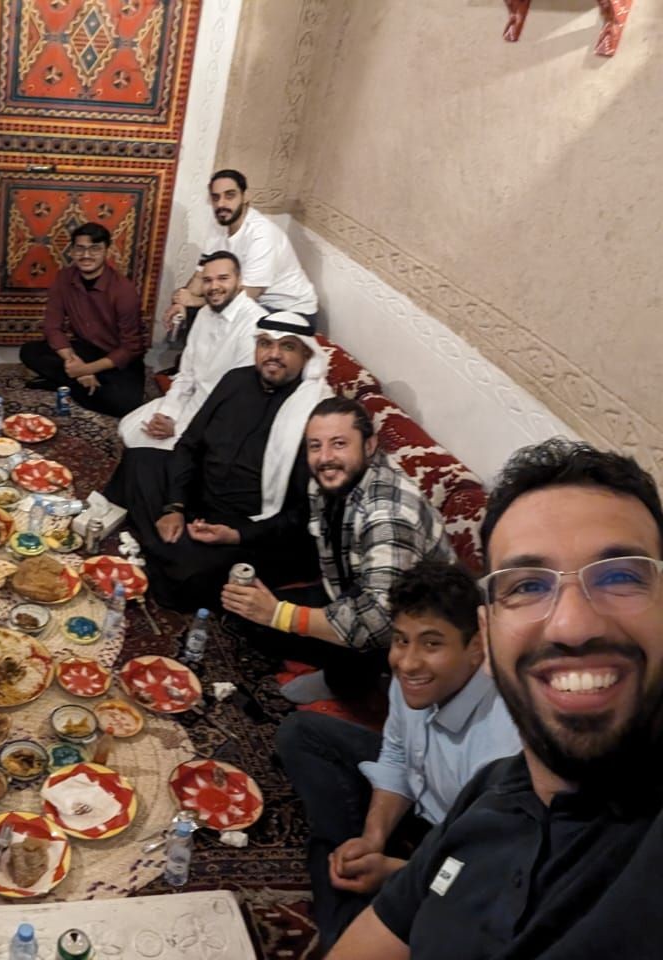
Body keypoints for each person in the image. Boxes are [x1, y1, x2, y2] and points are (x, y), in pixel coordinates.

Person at [329, 438, 663, 959]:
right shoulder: (492, 792)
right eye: (527, 586)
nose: (572, 625)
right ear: (491, 631)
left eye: (620, 577)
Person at [277, 560, 521, 952]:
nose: (407, 662)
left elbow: (493, 869)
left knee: (359, 933)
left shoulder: (503, 751)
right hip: (423, 806)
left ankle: (348, 904)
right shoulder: (414, 680)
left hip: (460, 850)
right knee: (301, 733)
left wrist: (397, 872)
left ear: (475, 647)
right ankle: (351, 862)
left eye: (432, 643)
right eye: (401, 640)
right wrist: (373, 838)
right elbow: (397, 756)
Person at [223, 397, 455, 702]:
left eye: (339, 443)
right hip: (351, 590)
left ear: (369, 446)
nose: (325, 457)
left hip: (408, 629)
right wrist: (236, 535)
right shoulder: (330, 477)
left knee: (277, 621)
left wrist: (280, 614)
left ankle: (357, 682)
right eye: (315, 446)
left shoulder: (389, 516)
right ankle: (336, 661)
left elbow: (379, 622)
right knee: (248, 616)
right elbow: (300, 525)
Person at [116, 313, 331, 610]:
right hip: (199, 493)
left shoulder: (316, 415)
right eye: (266, 344)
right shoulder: (236, 380)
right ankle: (165, 540)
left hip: (248, 525)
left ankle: (160, 546)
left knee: (189, 577)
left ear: (307, 354)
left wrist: (236, 534)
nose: (274, 355)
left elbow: (300, 513)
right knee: (139, 459)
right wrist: (174, 506)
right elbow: (189, 444)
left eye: (288, 347)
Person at [118, 251, 267, 451]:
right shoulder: (205, 313)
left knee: (149, 455)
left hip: (221, 421)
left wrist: (179, 428)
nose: (214, 287)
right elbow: (186, 374)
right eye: (207, 280)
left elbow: (238, 403)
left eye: (223, 278)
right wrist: (167, 413)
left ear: (239, 281)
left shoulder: (254, 325)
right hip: (192, 403)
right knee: (129, 428)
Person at [18, 222, 146, 416]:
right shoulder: (64, 278)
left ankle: (67, 382)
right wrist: (76, 364)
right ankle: (78, 382)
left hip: (116, 359)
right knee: (29, 352)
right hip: (84, 350)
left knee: (126, 405)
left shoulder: (124, 290)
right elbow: (53, 327)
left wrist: (86, 369)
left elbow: (130, 348)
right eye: (80, 248)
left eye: (95, 249)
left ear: (107, 251)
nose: (86, 255)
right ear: (72, 251)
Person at [165, 168, 317, 330]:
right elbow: (200, 275)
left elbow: (249, 295)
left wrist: (196, 301)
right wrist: (183, 302)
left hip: (287, 311)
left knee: (216, 318)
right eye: (216, 198)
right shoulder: (219, 225)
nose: (221, 204)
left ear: (245, 197)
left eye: (230, 195)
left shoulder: (262, 235)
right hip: (253, 302)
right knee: (199, 314)